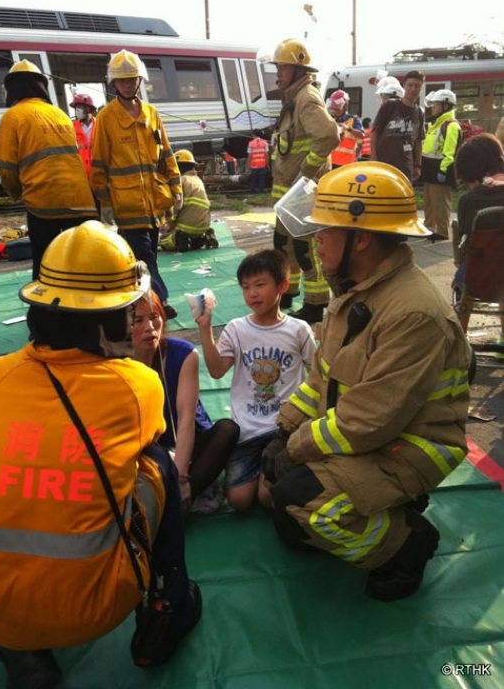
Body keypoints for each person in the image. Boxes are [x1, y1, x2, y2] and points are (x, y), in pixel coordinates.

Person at [0, 221, 201, 688]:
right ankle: (169, 607)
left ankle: (20, 648)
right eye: (129, 312)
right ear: (107, 321)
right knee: (159, 463)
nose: (135, 322)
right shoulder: (139, 385)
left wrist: (14, 495)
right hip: (94, 608)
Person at [261, 161, 470, 602]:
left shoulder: (412, 312)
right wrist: (284, 428)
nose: (316, 241)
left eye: (326, 231)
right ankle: (384, 507)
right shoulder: (356, 289)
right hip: (372, 435)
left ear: (364, 239)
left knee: (304, 506)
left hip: (410, 445)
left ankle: (407, 543)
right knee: (279, 500)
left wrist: (297, 448)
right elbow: (323, 376)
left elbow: (369, 420)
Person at [196, 249, 316, 511]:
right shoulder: (237, 329)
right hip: (247, 432)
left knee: (267, 497)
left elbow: (318, 375)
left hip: (285, 430)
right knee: (238, 501)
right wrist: (205, 329)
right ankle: (265, 471)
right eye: (246, 287)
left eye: (260, 284)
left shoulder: (298, 330)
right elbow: (216, 371)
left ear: (282, 285)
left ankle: (271, 475)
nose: (252, 293)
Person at [91, 50, 182, 320]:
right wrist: (106, 204)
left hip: (154, 203)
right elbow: (99, 165)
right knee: (145, 259)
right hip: (126, 205)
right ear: (114, 84)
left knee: (148, 256)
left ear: (140, 80)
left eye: (132, 79)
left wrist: (176, 188)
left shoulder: (151, 114)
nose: (128, 84)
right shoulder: (106, 118)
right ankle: (159, 302)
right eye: (123, 80)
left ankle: (140, 302)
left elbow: (166, 153)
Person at [132, 290, 240, 511]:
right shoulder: (116, 360)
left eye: (154, 317)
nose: (150, 327)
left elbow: (186, 418)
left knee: (227, 430)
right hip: (150, 450)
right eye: (138, 320)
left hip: (189, 445)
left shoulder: (183, 354)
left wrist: (181, 479)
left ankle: (177, 499)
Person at [0, 60, 98, 279]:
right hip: (81, 202)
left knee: (45, 264)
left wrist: (15, 193)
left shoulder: (12, 117)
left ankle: (47, 311)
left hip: (43, 204)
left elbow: (6, 169)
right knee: (82, 264)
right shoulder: (60, 114)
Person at [269, 38, 340, 325]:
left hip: (301, 191)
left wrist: (306, 173)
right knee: (283, 244)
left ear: (299, 70)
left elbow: (328, 135)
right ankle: (289, 291)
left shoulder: (306, 98)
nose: (278, 73)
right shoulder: (293, 98)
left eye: (283, 68)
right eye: (278, 67)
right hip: (288, 192)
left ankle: (316, 303)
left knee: (305, 248)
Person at [453, 133, 504, 347]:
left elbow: (463, 241)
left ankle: (459, 341)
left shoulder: (469, 201)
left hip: (480, 276)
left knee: (465, 272)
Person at [421, 89, 462, 240]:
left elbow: (449, 152)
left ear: (445, 105)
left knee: (440, 203)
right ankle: (429, 227)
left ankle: (443, 232)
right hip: (430, 170)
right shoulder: (436, 124)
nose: (432, 107)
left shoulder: (451, 125)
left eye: (436, 104)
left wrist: (443, 170)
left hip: (440, 170)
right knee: (429, 202)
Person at [370, 70, 425, 182]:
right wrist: (374, 157)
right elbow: (374, 132)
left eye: (417, 86)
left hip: (406, 168)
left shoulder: (419, 112)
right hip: (384, 165)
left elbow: (418, 141)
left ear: (421, 88)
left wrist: (417, 165)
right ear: (404, 86)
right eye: (410, 85)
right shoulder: (390, 106)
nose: (413, 89)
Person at [159, 149, 218, 252]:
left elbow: (177, 206)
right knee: (195, 242)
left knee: (164, 240)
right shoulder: (198, 181)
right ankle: (202, 238)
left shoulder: (181, 181)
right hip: (203, 226)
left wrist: (170, 223)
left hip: (185, 228)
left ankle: (177, 239)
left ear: (178, 167)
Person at [326, 90, 364, 169]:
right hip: (330, 163)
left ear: (345, 106)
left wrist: (347, 128)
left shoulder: (354, 119)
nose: (335, 112)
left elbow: (362, 135)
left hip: (347, 164)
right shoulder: (330, 119)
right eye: (334, 109)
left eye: (337, 109)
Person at [70, 93, 97, 176]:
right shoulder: (71, 128)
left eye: (80, 107)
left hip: (99, 174)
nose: (78, 110)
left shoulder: (100, 125)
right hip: (81, 175)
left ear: (89, 108)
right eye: (76, 107)